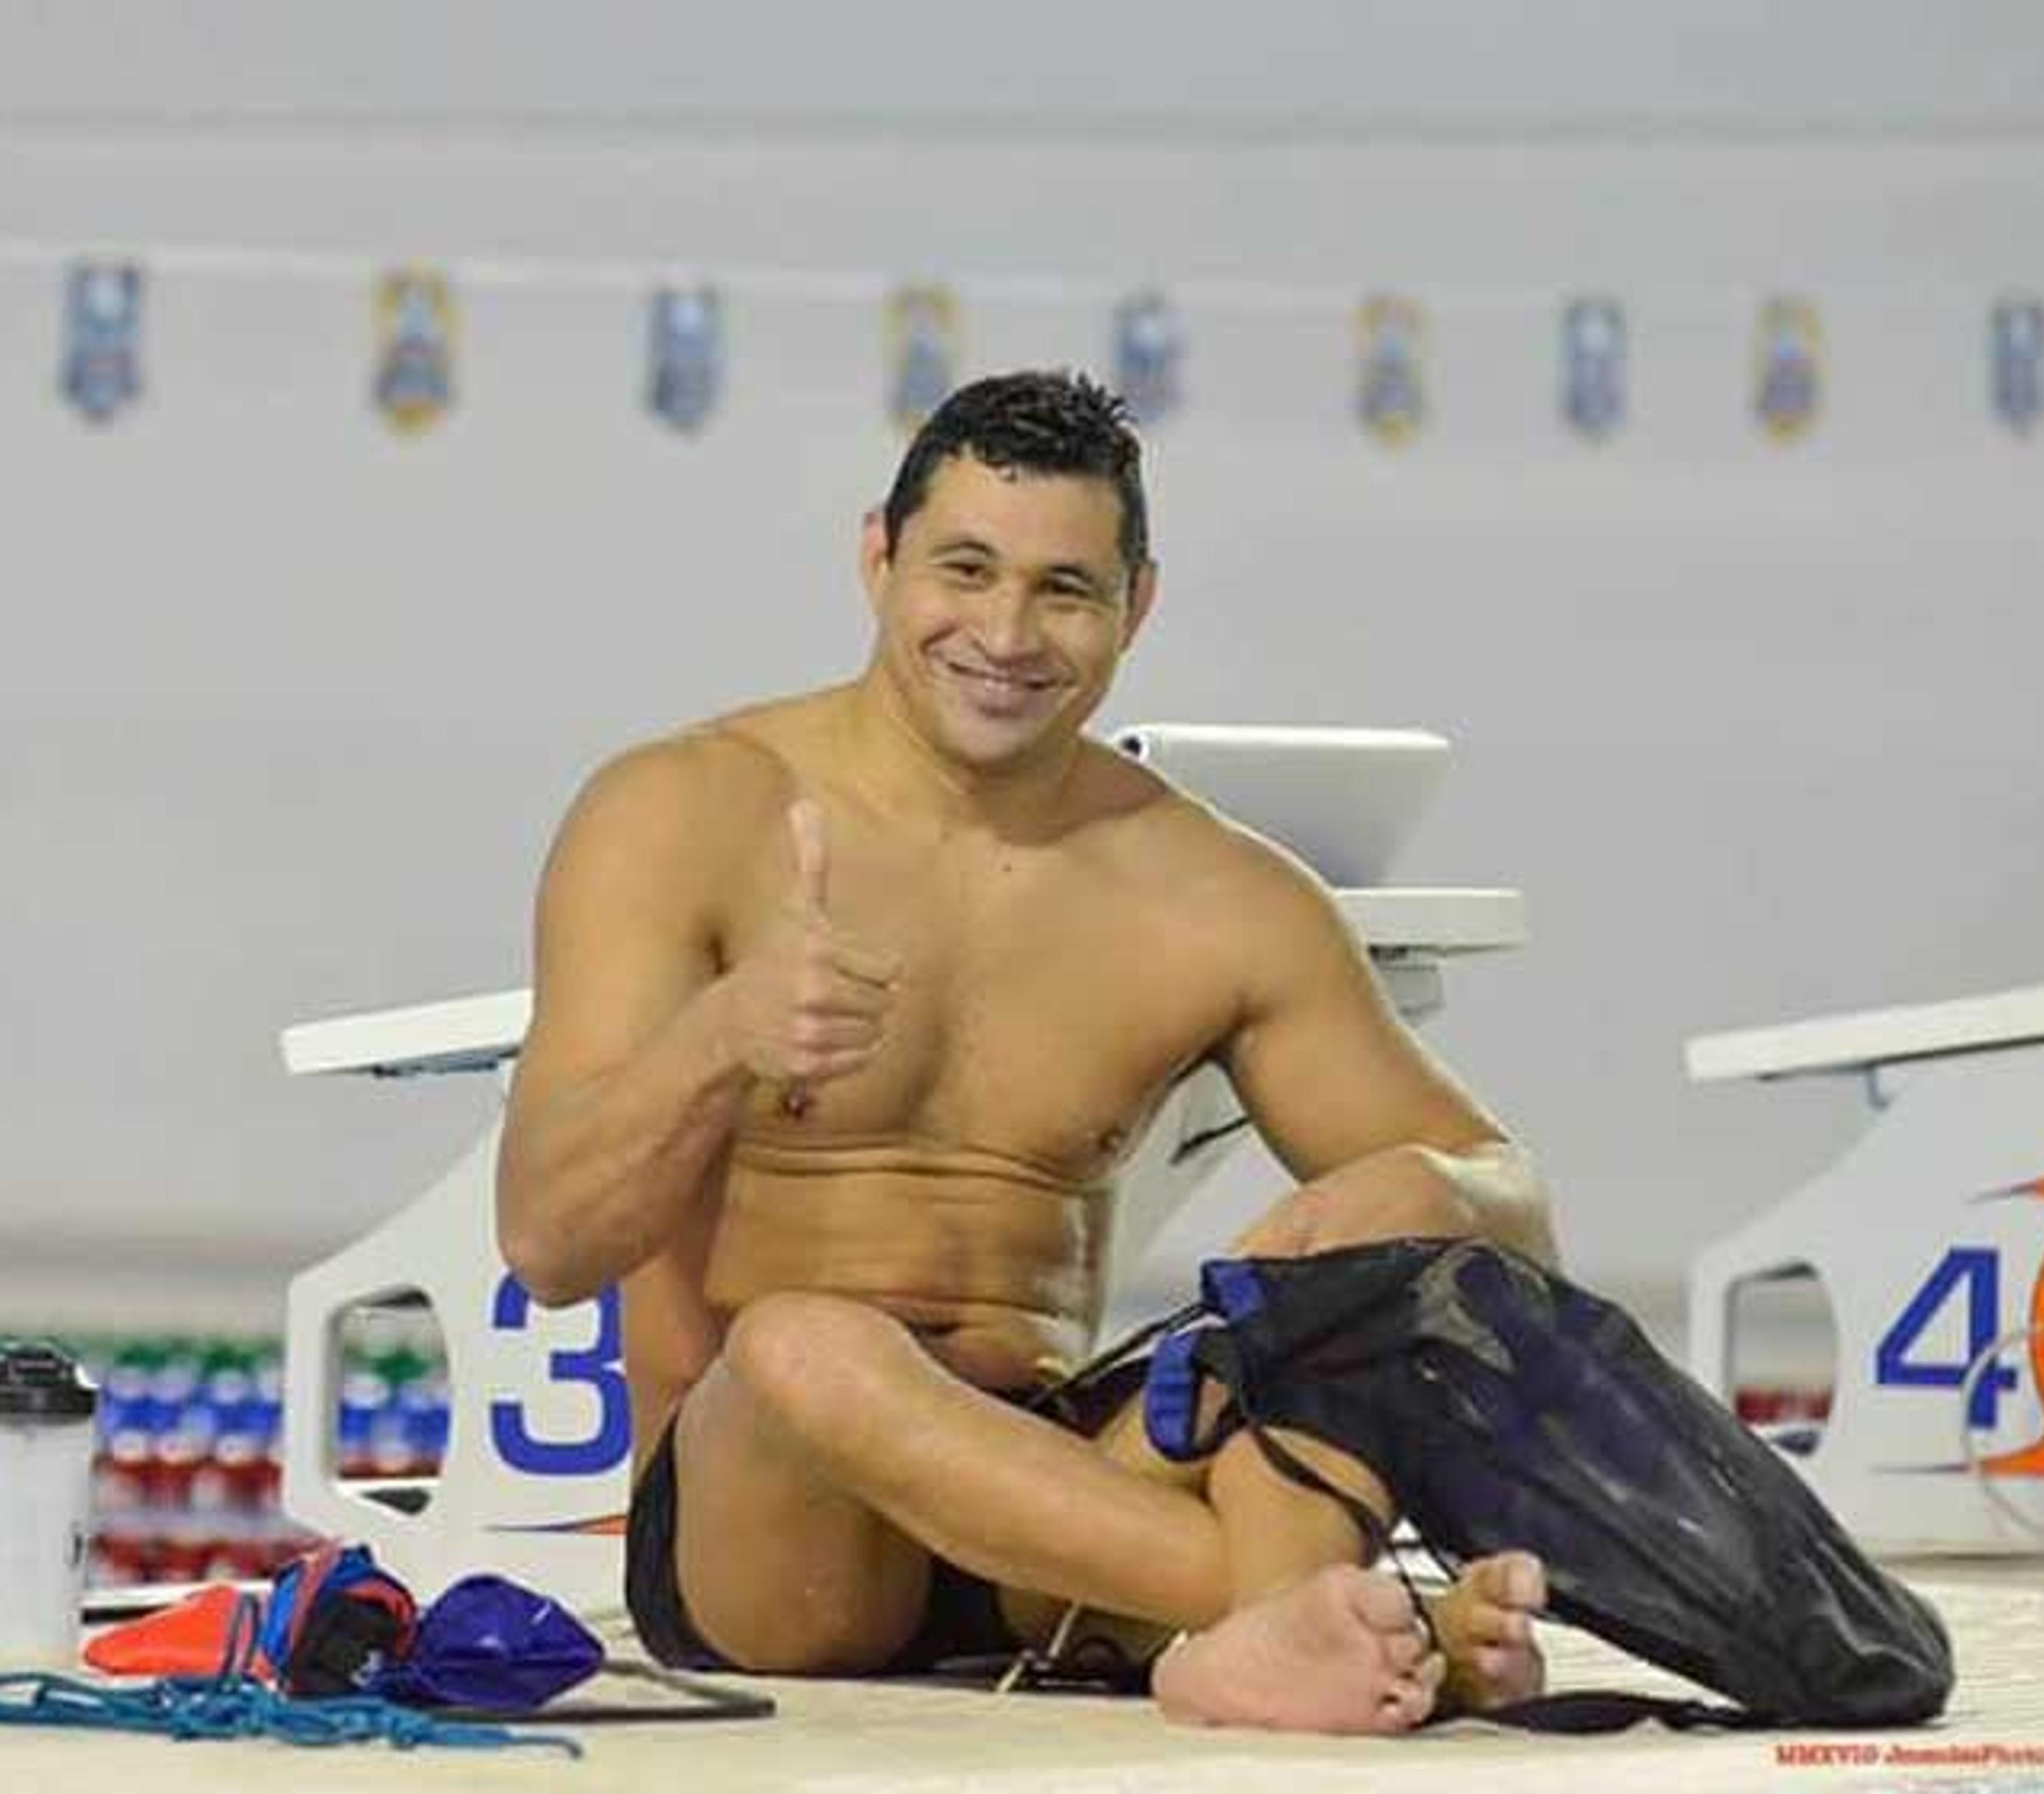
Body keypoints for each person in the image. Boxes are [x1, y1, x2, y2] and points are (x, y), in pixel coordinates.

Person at [494, 370, 1559, 1733]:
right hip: (777, 1537)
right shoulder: (681, 811)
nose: (1006, 633)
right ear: (878, 558)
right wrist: (720, 1038)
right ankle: (1288, 1614)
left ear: (1138, 607)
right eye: (965, 569)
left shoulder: (1214, 891)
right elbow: (547, 1242)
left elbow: (1509, 1199)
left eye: (1066, 589)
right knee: (808, 1346)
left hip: (1058, 1494)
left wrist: (1395, 1208)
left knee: (1389, 1233)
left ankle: (1251, 1637)